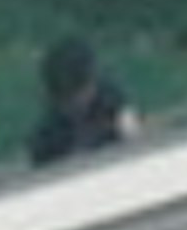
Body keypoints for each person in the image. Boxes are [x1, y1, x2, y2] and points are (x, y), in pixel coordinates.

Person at [26, 34, 139, 167]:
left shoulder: (113, 106)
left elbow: (133, 144)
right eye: (64, 97)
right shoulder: (48, 136)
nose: (72, 104)